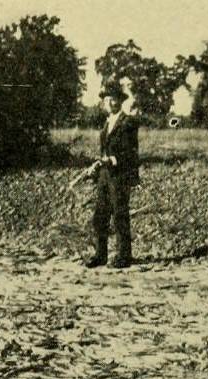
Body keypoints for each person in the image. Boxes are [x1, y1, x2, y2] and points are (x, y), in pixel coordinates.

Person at [85, 80, 140, 269]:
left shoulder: (128, 123)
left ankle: (124, 256)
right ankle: (101, 256)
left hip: (120, 175)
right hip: (105, 176)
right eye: (106, 99)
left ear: (119, 101)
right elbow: (105, 152)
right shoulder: (106, 124)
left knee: (119, 215)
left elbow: (130, 153)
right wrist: (97, 165)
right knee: (100, 216)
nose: (108, 103)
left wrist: (112, 160)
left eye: (112, 99)